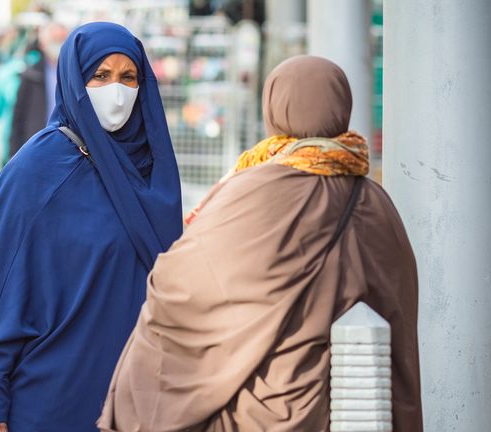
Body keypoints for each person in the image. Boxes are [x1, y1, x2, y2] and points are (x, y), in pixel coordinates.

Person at [98, 55, 423, 431]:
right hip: (356, 405)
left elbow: (181, 286)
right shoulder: (379, 204)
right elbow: (399, 306)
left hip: (262, 402)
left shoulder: (252, 192)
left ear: (274, 106)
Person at [0, 22, 183, 432]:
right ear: (73, 79)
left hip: (133, 399)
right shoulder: (37, 171)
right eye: (100, 76)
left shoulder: (150, 170)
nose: (116, 91)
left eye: (128, 77)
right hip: (50, 399)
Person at [7, 21, 68, 158]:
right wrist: (14, 156)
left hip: (67, 146)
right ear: (43, 44)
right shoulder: (31, 75)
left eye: (62, 40)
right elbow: (18, 119)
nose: (58, 45)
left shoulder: (74, 74)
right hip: (37, 146)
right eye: (54, 40)